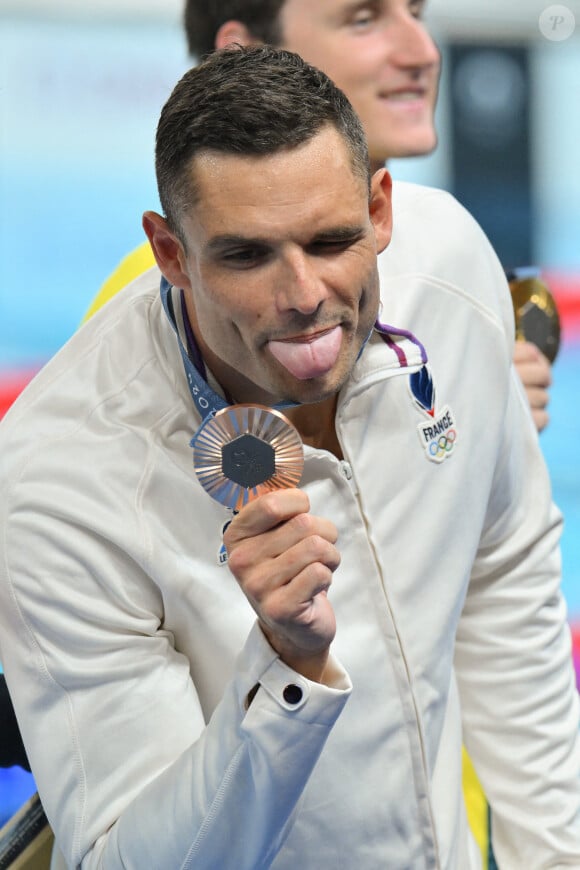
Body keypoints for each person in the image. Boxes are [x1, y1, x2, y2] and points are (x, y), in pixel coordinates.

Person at [0, 46, 578, 869]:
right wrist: (284, 668)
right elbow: (126, 857)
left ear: (381, 209)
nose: (304, 295)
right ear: (170, 252)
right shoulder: (61, 480)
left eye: (334, 238)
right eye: (246, 255)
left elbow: (505, 567)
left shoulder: (446, 267)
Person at [85, 0, 553, 435]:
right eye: (363, 19)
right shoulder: (149, 292)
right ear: (244, 53)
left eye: (415, 11)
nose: (423, 52)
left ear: (379, 212)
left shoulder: (442, 244)